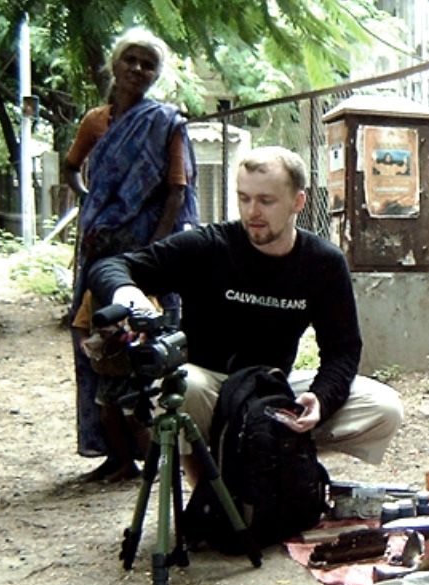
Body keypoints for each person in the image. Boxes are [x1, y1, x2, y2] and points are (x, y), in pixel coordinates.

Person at [87, 146, 404, 486]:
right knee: (185, 386)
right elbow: (110, 266)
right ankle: (206, 494)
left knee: (384, 408)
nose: (253, 211)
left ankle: (270, 456)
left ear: (298, 202)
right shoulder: (208, 246)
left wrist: (321, 399)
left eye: (266, 201)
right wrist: (129, 294)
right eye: (244, 198)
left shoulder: (323, 262)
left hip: (271, 388)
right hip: (208, 384)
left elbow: (342, 349)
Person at [65, 26, 200, 481]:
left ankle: (152, 458)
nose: (138, 69)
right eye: (132, 60)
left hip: (144, 260)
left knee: (144, 352)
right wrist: (94, 206)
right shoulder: (95, 122)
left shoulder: (164, 122)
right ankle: (115, 455)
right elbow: (72, 168)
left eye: (149, 64)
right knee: (98, 347)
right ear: (114, 64)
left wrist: (151, 251)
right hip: (101, 254)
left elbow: (177, 192)